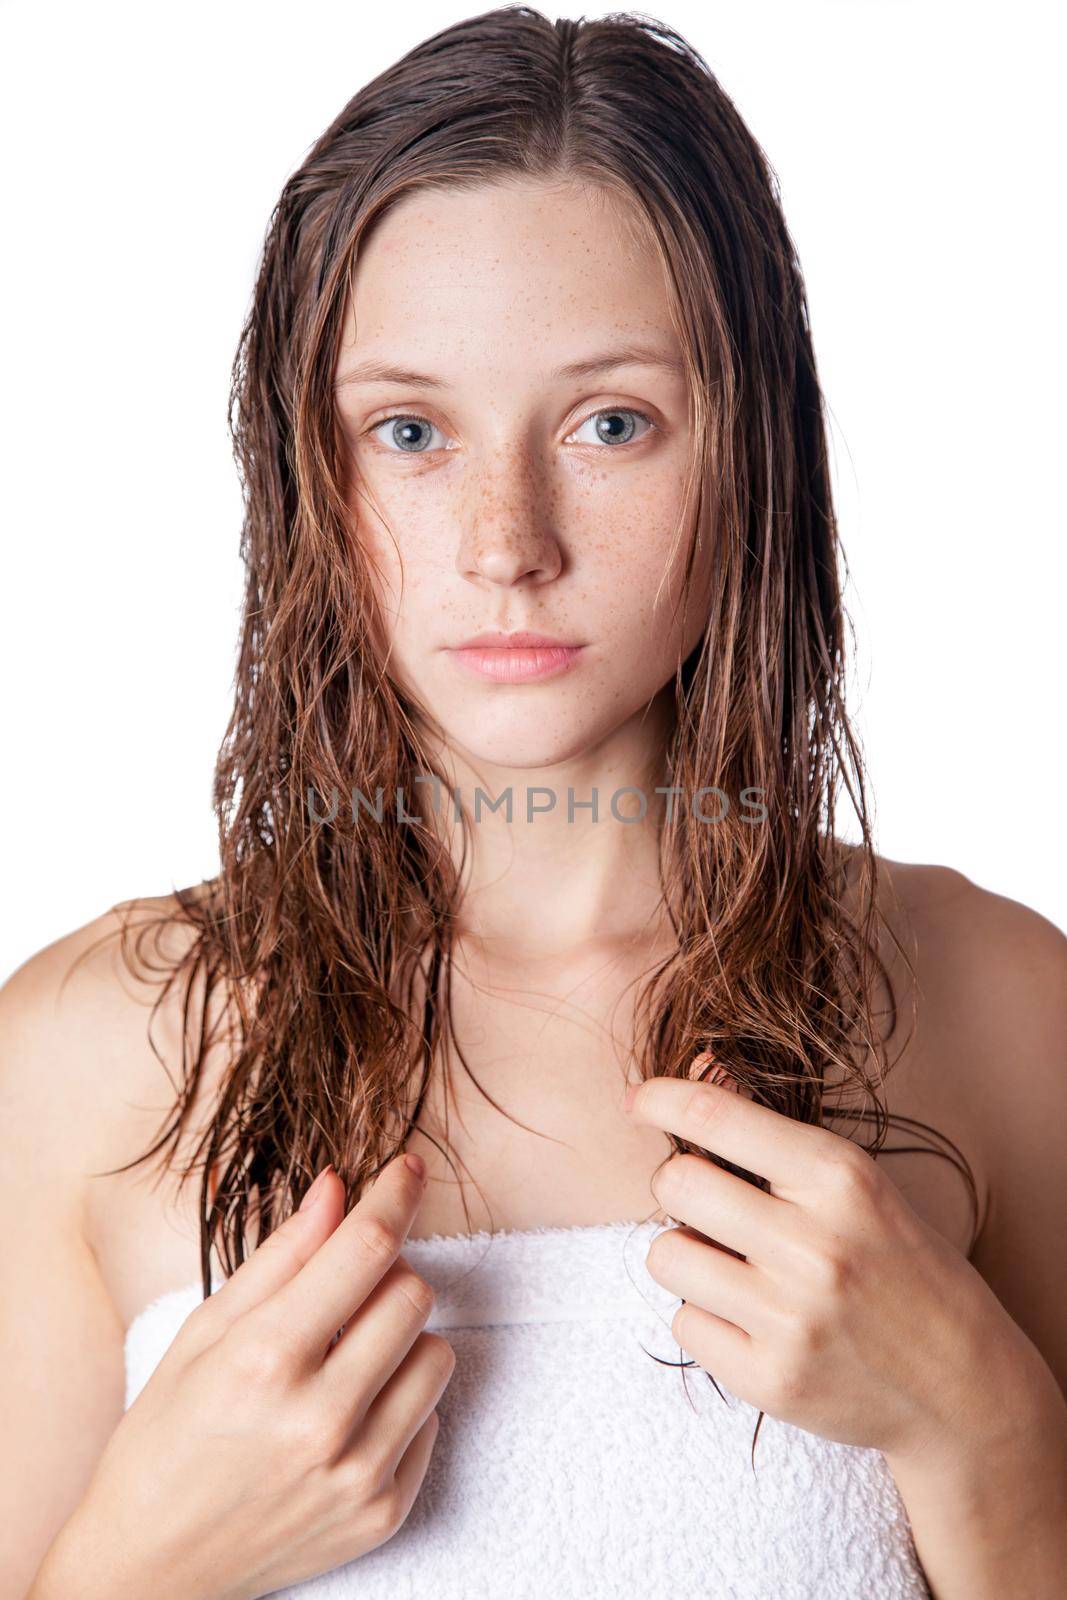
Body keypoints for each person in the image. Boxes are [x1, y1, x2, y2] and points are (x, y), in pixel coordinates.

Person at [5, 8, 1066, 1599]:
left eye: (609, 423)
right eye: (412, 431)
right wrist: (129, 1568)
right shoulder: (91, 1049)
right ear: (312, 474)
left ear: (752, 449)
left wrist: (991, 1445)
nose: (509, 538)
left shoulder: (997, 1000)